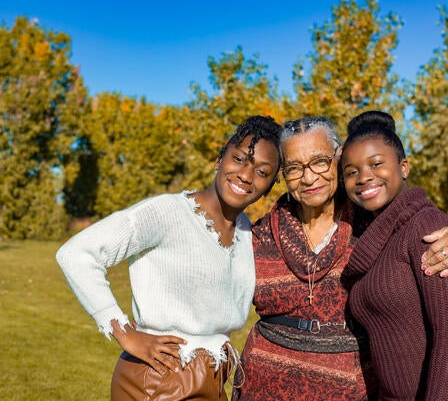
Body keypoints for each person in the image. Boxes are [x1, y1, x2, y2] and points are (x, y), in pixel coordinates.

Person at [233, 116, 448, 400]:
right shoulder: (260, 234)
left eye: (319, 161)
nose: (308, 177)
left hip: (352, 391)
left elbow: (421, 219)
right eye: (294, 168)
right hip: (262, 387)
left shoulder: (374, 221)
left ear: (337, 160)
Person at [56, 116, 282, 400]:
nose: (246, 175)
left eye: (262, 172)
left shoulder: (248, 231)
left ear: (270, 185)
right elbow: (77, 253)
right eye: (238, 159)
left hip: (213, 379)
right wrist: (125, 332)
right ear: (219, 160)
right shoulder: (167, 212)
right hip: (158, 380)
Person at [340, 112, 448, 400]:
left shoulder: (427, 228)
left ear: (404, 167)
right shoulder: (373, 232)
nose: (364, 176)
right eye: (351, 171)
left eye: (376, 164)